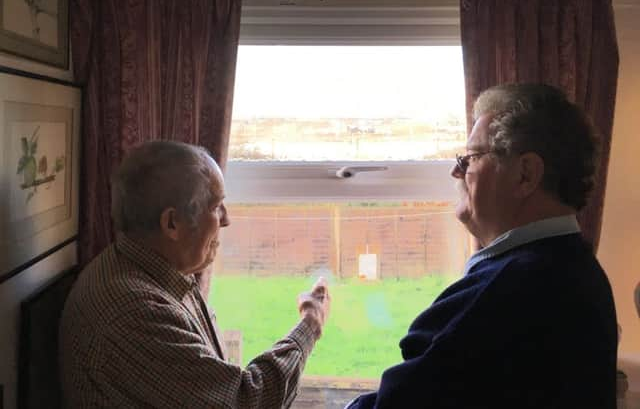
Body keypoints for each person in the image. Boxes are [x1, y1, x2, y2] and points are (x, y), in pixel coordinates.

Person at [347, 83, 617, 408]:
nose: (456, 170)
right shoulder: (574, 267)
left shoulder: (512, 287)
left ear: (525, 175)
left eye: (472, 157)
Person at [59, 141, 330, 408]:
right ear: (172, 223)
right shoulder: (134, 312)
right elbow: (248, 400)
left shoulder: (157, 273)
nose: (226, 220)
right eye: (215, 207)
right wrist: (311, 322)